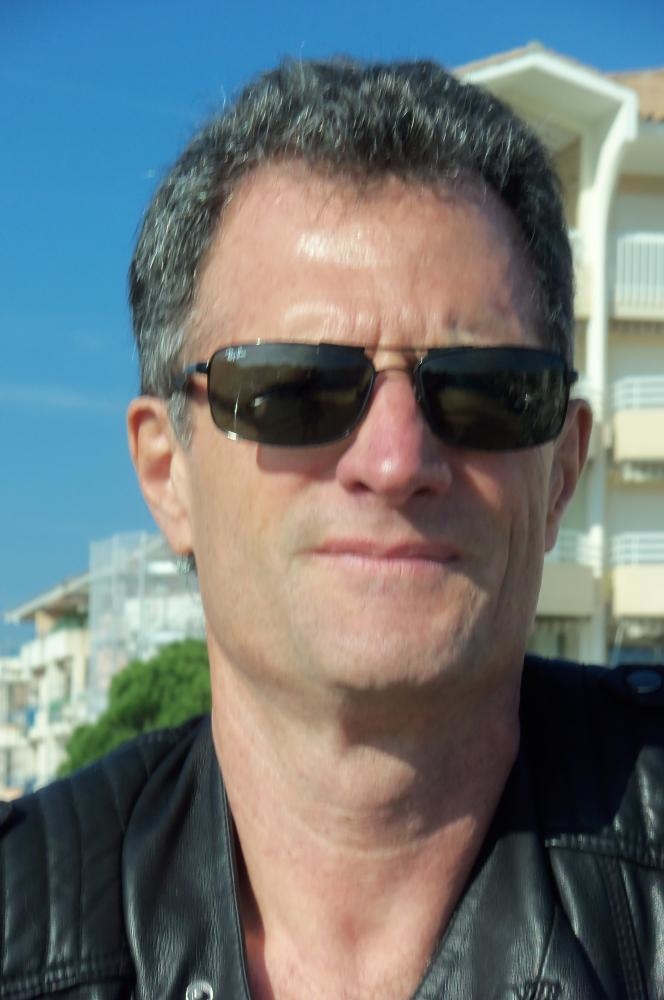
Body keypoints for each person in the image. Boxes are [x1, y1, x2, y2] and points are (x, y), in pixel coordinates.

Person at [1, 59, 663, 1000]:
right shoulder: (23, 927)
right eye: (296, 389)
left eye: (483, 392)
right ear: (167, 472)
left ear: (561, 472)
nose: (395, 461)